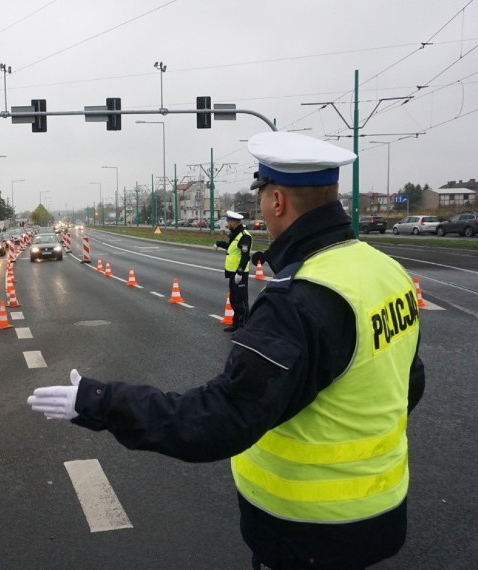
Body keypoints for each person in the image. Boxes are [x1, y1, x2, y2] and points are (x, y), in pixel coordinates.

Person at [27, 131, 425, 570]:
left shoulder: (300, 298)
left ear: (277, 202)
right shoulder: (385, 271)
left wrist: (104, 402)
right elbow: (408, 381)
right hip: (383, 510)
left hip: (307, 531)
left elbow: (221, 419)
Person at [214, 210, 252, 332]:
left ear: (234, 222)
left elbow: (245, 256)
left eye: (228, 221)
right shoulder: (235, 233)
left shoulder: (244, 236)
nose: (227, 223)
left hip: (240, 273)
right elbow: (232, 248)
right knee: (234, 300)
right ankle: (236, 324)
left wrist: (240, 272)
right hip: (232, 272)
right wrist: (219, 244)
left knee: (241, 301)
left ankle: (244, 328)